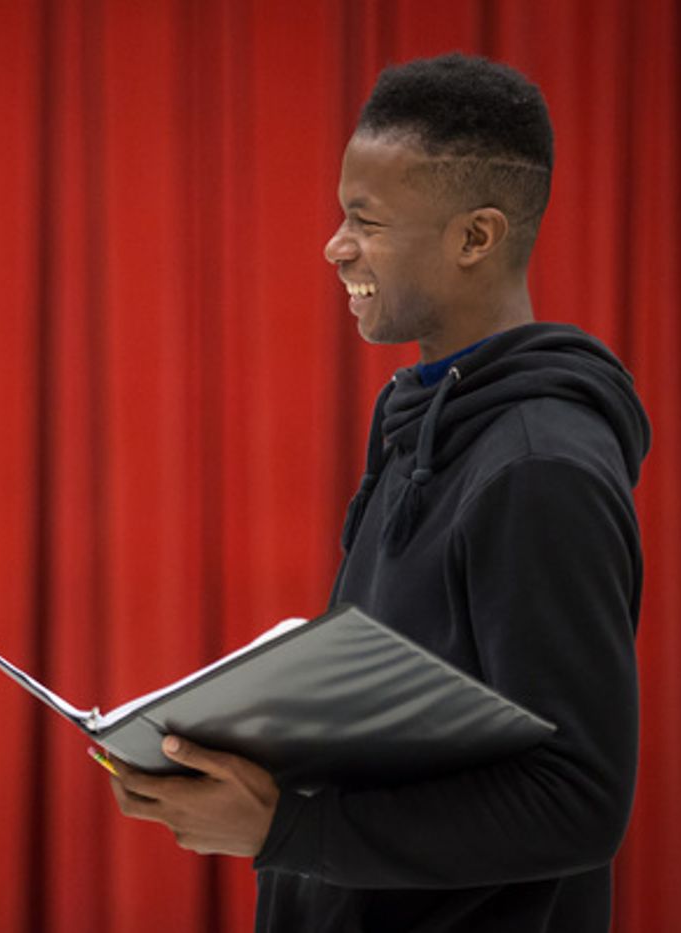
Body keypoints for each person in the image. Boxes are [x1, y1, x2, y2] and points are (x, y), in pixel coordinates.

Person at [102, 53, 650, 932]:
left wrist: (289, 827)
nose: (335, 244)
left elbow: (578, 800)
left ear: (476, 238)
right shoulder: (419, 411)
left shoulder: (539, 469)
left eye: (368, 220)